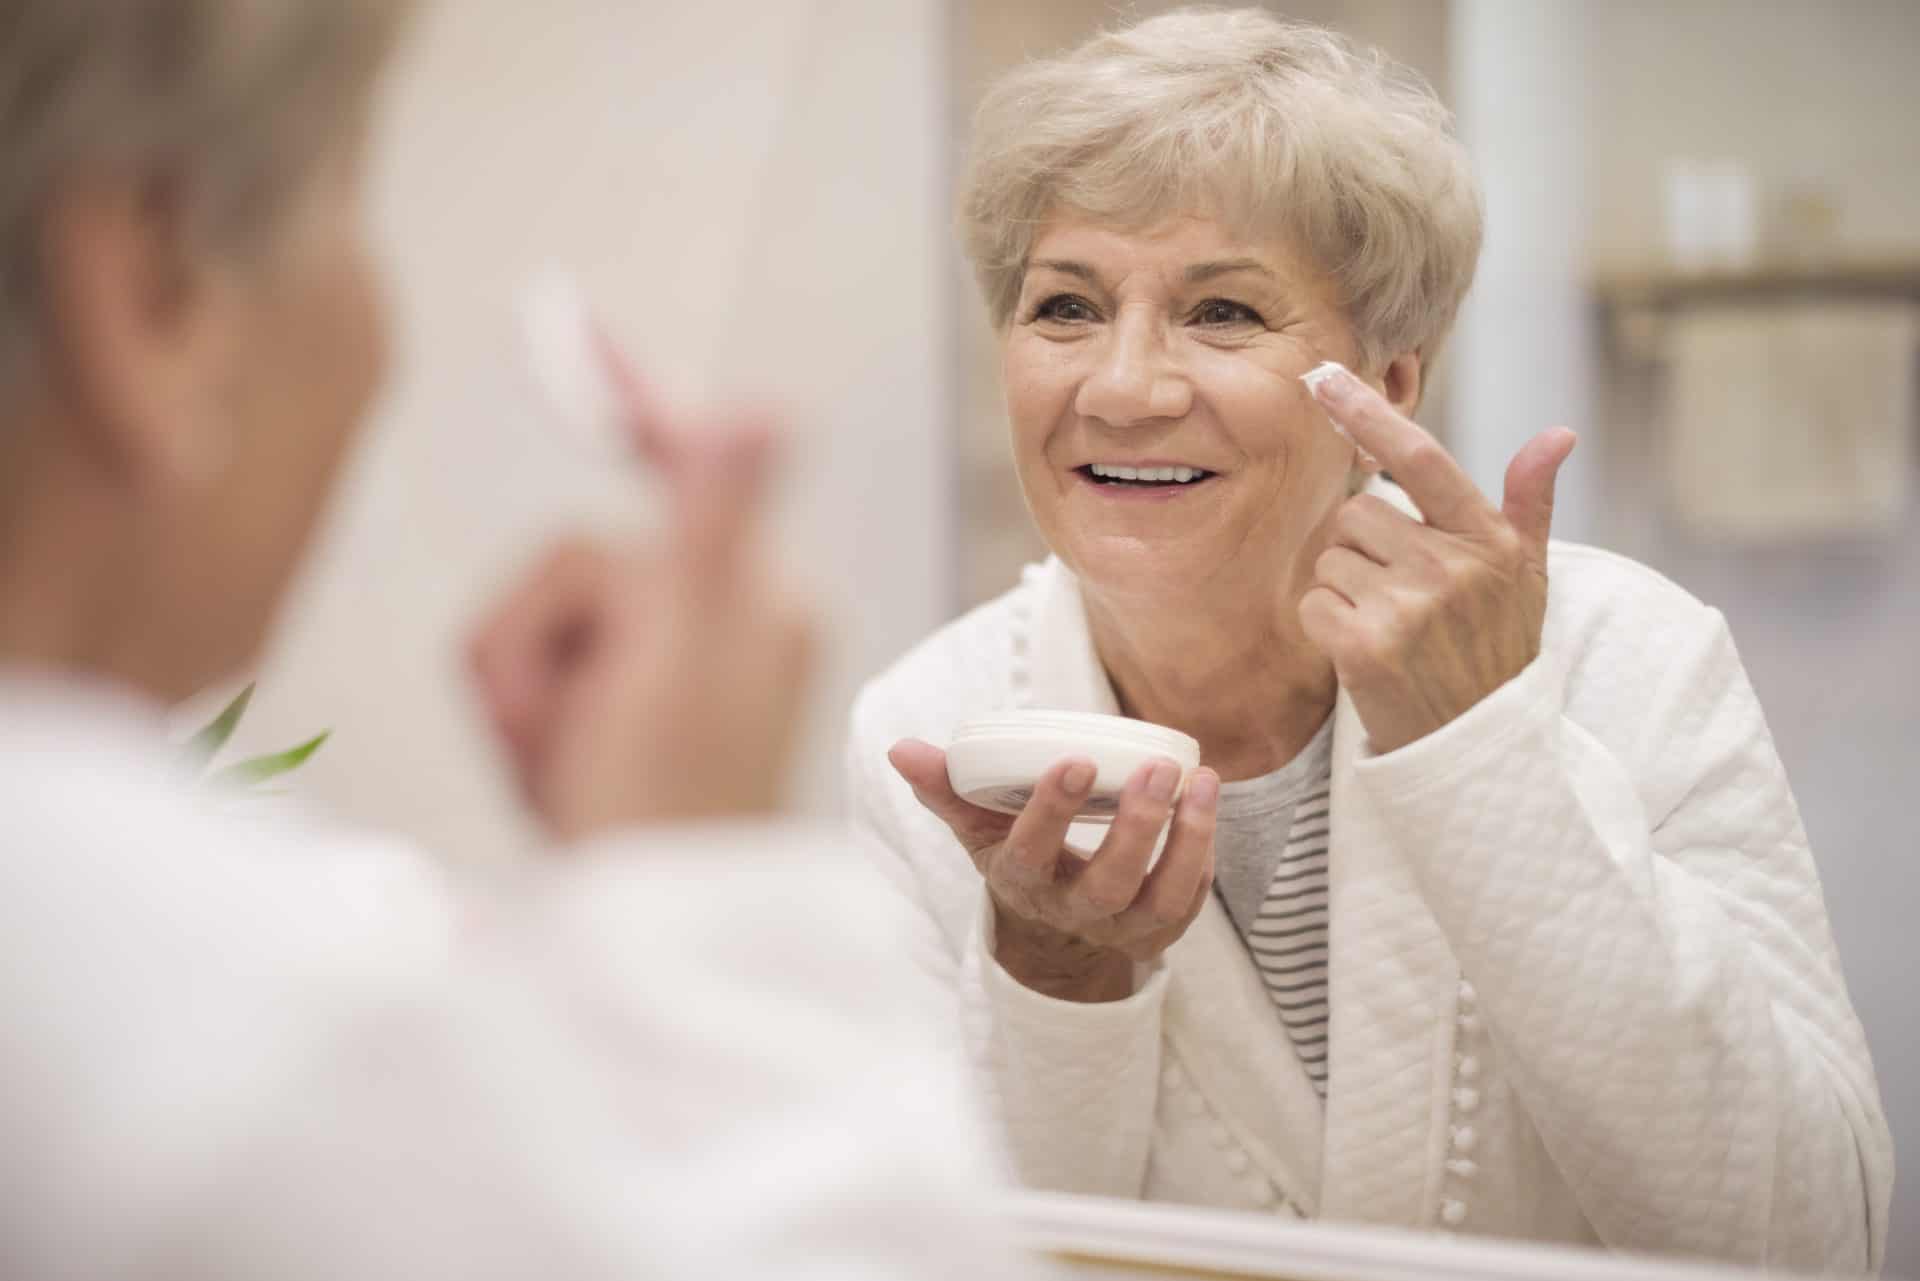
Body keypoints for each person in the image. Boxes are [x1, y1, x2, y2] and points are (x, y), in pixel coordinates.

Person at [0, 1, 1036, 1277]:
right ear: (156, 295)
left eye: (1221, 313)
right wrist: (700, 859)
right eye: (352, 208)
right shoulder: (195, 1016)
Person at [847, 8, 1893, 1272]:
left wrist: (1488, 752)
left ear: (1391, 383)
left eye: (1223, 313)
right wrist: (1056, 982)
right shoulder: (933, 725)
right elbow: (950, 1254)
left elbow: (1811, 1241)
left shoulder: (1622, 654)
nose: (1122, 388)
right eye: (1064, 306)